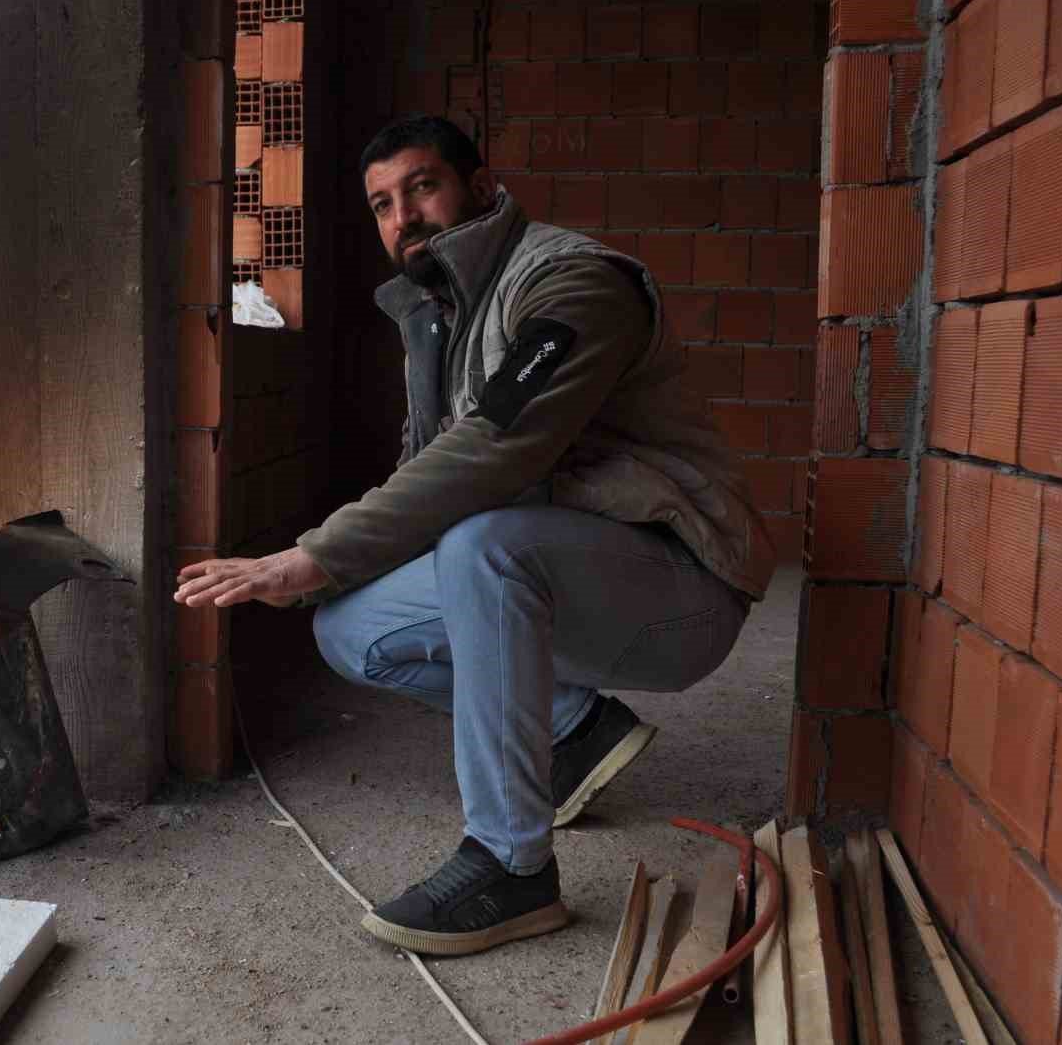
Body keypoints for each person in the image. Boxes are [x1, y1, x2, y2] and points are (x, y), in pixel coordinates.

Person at [174, 115, 775, 957]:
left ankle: (512, 865)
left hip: (682, 591)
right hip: (572, 572)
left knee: (484, 547)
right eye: (383, 204)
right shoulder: (440, 313)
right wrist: (325, 574)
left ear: (482, 187)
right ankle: (572, 731)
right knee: (350, 625)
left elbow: (492, 449)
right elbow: (426, 472)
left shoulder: (574, 285)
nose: (403, 217)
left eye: (422, 187)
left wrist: (310, 552)